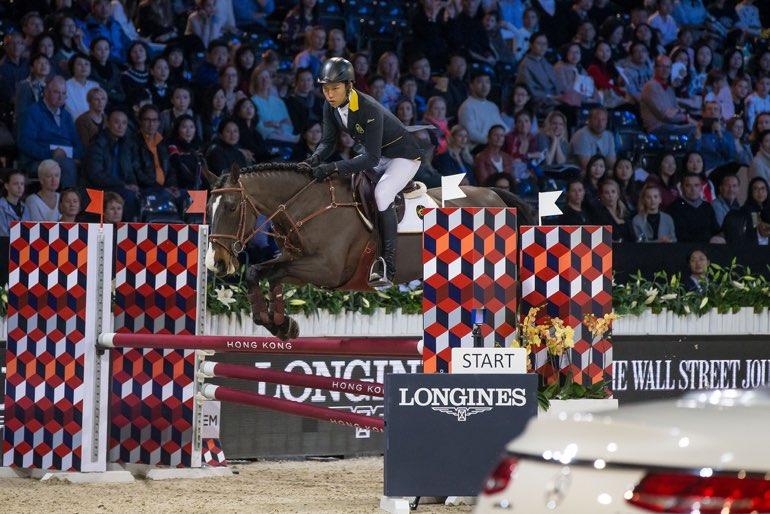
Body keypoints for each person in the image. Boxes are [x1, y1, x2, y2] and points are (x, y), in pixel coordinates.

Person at [304, 58, 425, 287]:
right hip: (378, 154)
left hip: (403, 157)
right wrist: (313, 160)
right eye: (326, 89)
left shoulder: (368, 108)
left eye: (335, 89)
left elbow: (370, 158)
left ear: (349, 86)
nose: (329, 95)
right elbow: (328, 142)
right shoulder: (330, 106)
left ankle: (388, 266)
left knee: (382, 193)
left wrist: (332, 168)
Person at [84, 109, 148, 221]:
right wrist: (123, 185)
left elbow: (130, 171)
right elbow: (95, 174)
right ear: (107, 123)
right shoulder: (98, 142)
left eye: (124, 123)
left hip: (122, 187)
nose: (120, 126)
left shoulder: (126, 144)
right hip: (101, 188)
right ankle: (127, 232)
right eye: (116, 122)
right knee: (129, 195)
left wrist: (133, 184)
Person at [18, 76, 82, 188]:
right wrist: (51, 154)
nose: (61, 97)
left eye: (63, 93)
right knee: (67, 165)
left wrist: (74, 155)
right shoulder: (32, 112)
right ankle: (69, 201)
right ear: (46, 92)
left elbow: (78, 145)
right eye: (56, 92)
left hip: (66, 159)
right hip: (38, 161)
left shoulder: (66, 116)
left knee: (92, 168)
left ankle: (93, 205)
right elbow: (25, 143)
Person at [640, 55, 695, 137]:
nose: (665, 70)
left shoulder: (669, 89)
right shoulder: (650, 86)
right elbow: (665, 116)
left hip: (669, 126)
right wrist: (685, 118)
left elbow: (676, 110)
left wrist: (677, 113)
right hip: (657, 129)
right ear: (655, 68)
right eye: (661, 66)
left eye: (668, 67)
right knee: (695, 128)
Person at [457, 69, 507, 148]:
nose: (484, 86)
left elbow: (502, 126)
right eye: (480, 82)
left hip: (495, 145)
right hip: (479, 147)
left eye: (487, 82)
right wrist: (492, 141)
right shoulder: (467, 106)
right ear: (471, 85)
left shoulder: (492, 106)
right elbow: (470, 133)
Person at [668, 173, 720, 243]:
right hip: (684, 249)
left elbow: (715, 230)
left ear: (701, 187)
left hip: (709, 248)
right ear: (681, 188)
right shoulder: (674, 208)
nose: (693, 189)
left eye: (696, 185)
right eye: (688, 185)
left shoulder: (707, 206)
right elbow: (680, 235)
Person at [166, 114, 205, 191]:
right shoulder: (172, 147)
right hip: (179, 189)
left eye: (191, 127)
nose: (188, 131)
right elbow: (175, 169)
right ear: (177, 129)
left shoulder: (198, 147)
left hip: (199, 189)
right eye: (184, 127)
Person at [65, 53, 99, 119]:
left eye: (86, 64)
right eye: (79, 64)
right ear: (72, 67)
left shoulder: (95, 85)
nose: (83, 67)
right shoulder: (65, 86)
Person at [0, 170, 30, 237]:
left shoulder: (25, 207)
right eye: (16, 184)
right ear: (7, 186)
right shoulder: (1, 207)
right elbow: (4, 237)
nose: (20, 187)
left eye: (22, 184)